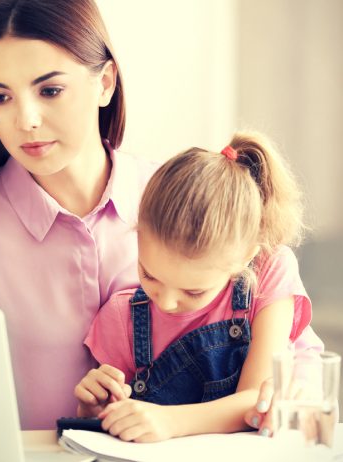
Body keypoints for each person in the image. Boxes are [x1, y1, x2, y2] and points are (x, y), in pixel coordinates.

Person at [0, 0, 322, 431]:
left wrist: (288, 394)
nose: (26, 119)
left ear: (105, 82)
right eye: (0, 97)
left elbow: (298, 354)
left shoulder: (183, 201)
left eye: (50, 90)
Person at [75, 132, 319, 442]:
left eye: (193, 291)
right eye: (149, 275)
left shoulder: (270, 271)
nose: (166, 302)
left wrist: (170, 422)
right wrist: (95, 410)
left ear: (247, 257)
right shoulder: (119, 320)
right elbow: (115, 429)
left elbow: (256, 399)